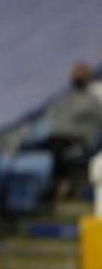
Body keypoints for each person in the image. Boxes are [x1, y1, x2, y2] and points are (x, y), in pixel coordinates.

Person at [40, 62, 102, 200]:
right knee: (46, 147)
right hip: (57, 138)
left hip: (80, 141)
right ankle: (54, 187)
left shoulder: (93, 101)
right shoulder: (63, 98)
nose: (77, 76)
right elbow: (53, 118)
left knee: (60, 151)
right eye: (75, 73)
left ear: (87, 77)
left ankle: (58, 188)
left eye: (81, 73)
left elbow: (96, 125)